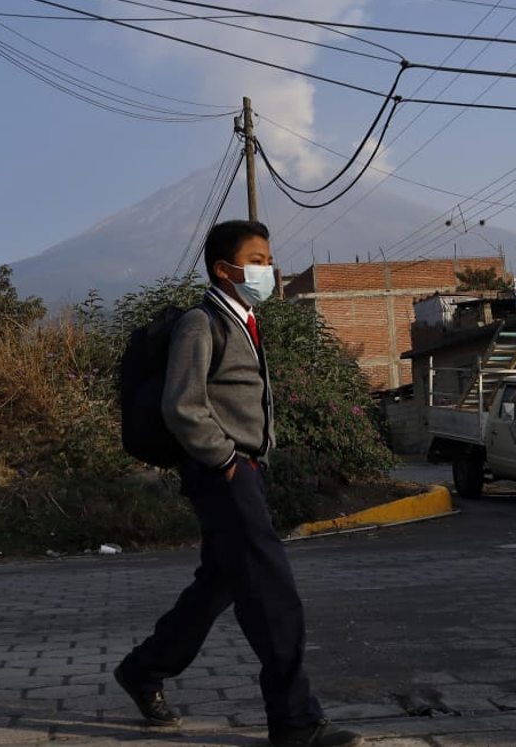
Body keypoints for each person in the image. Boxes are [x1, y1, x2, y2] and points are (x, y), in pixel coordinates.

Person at [114, 220, 363, 747]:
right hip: (224, 473)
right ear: (224, 269)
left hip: (244, 469)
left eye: (269, 259)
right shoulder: (202, 325)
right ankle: (295, 722)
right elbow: (182, 405)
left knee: (219, 586)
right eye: (256, 259)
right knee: (273, 592)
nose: (268, 269)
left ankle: (142, 669)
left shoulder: (243, 318)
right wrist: (226, 459)